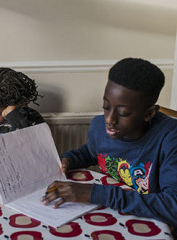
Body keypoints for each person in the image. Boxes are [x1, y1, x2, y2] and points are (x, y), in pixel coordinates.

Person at [41, 58, 177, 232]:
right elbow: (92, 152)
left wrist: (95, 194)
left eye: (123, 113)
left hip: (154, 227)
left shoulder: (170, 140)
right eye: (106, 106)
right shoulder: (99, 127)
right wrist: (70, 159)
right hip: (112, 220)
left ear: (149, 113)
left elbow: (173, 206)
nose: (109, 119)